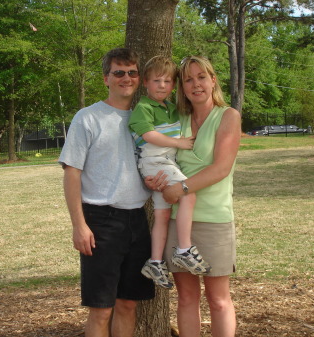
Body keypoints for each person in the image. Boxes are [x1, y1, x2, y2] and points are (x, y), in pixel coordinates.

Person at [59, 48, 155, 337]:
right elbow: (71, 172)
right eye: (119, 73)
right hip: (100, 222)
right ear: (106, 78)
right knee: (101, 309)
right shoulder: (88, 118)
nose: (126, 78)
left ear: (139, 78)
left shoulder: (146, 119)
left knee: (128, 305)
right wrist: (79, 225)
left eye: (132, 72)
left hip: (138, 221)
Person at [148, 56, 241, 336]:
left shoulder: (228, 116)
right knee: (187, 298)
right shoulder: (178, 119)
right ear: (182, 87)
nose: (196, 84)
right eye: (188, 79)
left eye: (202, 77)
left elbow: (221, 168)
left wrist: (181, 188)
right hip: (178, 220)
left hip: (214, 219)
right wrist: (153, 177)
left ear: (213, 81)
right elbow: (160, 154)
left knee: (218, 300)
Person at [128, 56, 211, 290]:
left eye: (167, 81)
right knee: (189, 195)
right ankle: (184, 249)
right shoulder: (143, 108)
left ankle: (155, 261)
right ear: (145, 82)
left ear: (173, 85)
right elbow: (149, 136)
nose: (162, 86)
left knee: (162, 215)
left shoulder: (172, 109)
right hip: (156, 162)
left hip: (165, 164)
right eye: (156, 81)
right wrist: (180, 143)